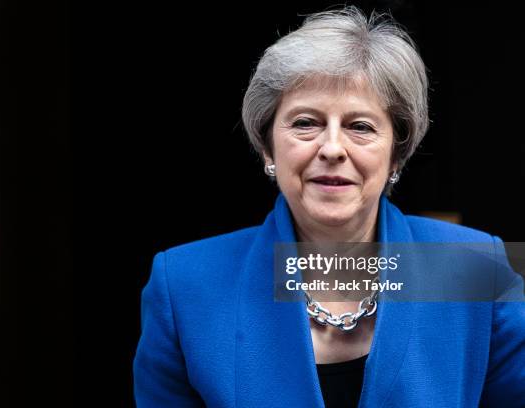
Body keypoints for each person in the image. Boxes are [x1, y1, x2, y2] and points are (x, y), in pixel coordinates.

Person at [133, 6, 525, 407]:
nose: (333, 148)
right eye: (305, 123)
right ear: (267, 147)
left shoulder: (480, 269)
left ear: (395, 155)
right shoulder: (182, 285)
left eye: (360, 126)